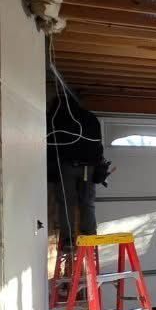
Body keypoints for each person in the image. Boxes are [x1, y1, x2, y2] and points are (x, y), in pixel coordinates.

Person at [47, 91, 109, 251]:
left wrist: (51, 170)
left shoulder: (53, 118)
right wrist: (97, 166)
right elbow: (97, 145)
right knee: (87, 202)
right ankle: (89, 235)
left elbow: (48, 146)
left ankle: (68, 240)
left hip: (65, 167)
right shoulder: (89, 117)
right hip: (87, 167)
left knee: (66, 203)